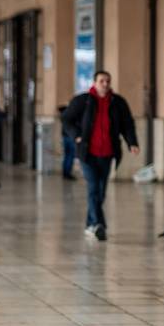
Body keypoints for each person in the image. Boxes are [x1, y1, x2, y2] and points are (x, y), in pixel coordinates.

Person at [63, 70, 140, 241]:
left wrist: (132, 143)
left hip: (107, 153)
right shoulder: (83, 101)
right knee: (93, 189)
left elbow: (127, 124)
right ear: (94, 82)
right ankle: (98, 224)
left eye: (107, 81)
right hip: (88, 154)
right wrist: (76, 134)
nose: (105, 84)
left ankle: (91, 225)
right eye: (101, 81)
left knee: (101, 191)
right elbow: (66, 119)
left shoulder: (118, 102)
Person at [59, 104, 76, 180]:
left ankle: (65, 172)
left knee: (66, 156)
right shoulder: (71, 115)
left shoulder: (64, 115)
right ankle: (67, 173)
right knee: (70, 156)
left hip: (65, 137)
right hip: (70, 137)